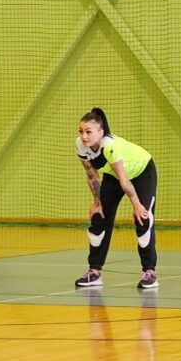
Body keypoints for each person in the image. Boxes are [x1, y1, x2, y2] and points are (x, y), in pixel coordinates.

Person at [74, 107, 158, 291]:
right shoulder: (80, 145)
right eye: (81, 131)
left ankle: (149, 272)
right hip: (114, 176)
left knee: (142, 218)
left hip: (142, 172)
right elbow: (92, 175)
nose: (84, 136)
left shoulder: (110, 146)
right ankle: (94, 272)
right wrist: (97, 203)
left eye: (89, 132)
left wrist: (137, 205)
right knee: (99, 218)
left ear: (100, 132)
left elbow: (125, 181)